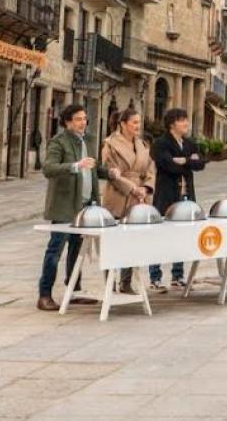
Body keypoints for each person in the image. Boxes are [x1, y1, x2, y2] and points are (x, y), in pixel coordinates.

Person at [37, 104, 117, 311]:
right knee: (55, 249)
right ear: (68, 122)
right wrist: (75, 166)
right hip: (65, 205)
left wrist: (109, 173)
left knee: (77, 250)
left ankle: (74, 291)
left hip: (85, 205)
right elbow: (48, 168)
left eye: (84, 118)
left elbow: (93, 167)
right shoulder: (58, 142)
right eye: (79, 119)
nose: (83, 123)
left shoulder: (87, 141)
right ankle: (44, 294)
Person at [149, 107, 205, 292]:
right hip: (167, 194)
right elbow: (167, 165)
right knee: (160, 235)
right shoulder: (161, 143)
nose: (187, 124)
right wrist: (188, 161)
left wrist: (184, 161)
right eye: (183, 121)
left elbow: (201, 164)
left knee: (182, 234)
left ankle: (177, 275)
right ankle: (155, 277)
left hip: (186, 194)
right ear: (173, 123)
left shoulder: (188, 143)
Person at [101, 109, 155, 294]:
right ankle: (109, 282)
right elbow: (110, 171)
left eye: (139, 122)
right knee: (113, 240)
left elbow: (150, 170)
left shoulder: (142, 144)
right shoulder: (110, 144)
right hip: (118, 195)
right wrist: (132, 188)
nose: (137, 126)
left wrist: (146, 188)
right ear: (123, 124)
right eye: (134, 122)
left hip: (139, 197)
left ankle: (126, 282)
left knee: (133, 240)